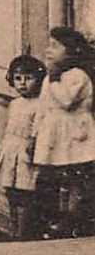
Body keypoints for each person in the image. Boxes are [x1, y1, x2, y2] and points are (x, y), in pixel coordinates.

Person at [37, 27, 95, 238]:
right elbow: (43, 107)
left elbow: (66, 101)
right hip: (55, 134)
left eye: (55, 46)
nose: (48, 50)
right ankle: (58, 221)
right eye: (48, 45)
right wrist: (35, 135)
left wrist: (53, 80)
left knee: (75, 177)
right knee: (57, 178)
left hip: (75, 134)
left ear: (71, 51)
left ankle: (73, 220)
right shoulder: (53, 75)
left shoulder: (77, 76)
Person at [0, 54, 48, 240]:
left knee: (26, 193)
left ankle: (23, 234)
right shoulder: (15, 103)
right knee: (11, 191)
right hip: (11, 150)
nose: (22, 83)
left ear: (39, 80)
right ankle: (14, 228)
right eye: (18, 78)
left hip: (26, 154)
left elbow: (39, 132)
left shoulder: (40, 105)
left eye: (28, 78)